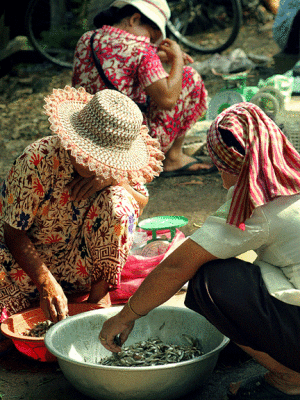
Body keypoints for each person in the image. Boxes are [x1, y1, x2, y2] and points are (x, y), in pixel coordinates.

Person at [100, 102, 300, 400]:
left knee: (212, 280)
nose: (221, 180)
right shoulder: (290, 174)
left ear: (232, 165)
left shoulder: (258, 203)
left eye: (222, 169)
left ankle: (289, 378)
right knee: (244, 265)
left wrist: (126, 315)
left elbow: (176, 267)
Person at [0, 86, 164, 328]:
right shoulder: (37, 160)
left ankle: (98, 298)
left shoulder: (112, 171)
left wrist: (112, 179)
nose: (93, 163)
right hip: (25, 267)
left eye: (101, 159)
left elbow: (140, 201)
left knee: (120, 201)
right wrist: (46, 281)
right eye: (88, 153)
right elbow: (13, 233)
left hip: (82, 266)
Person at [72, 0, 215, 178]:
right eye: (152, 36)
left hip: (86, 136)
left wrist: (156, 56)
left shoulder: (87, 39)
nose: (150, 42)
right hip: (126, 146)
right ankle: (173, 158)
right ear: (134, 19)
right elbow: (168, 100)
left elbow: (118, 55)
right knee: (189, 76)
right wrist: (177, 57)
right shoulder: (142, 50)